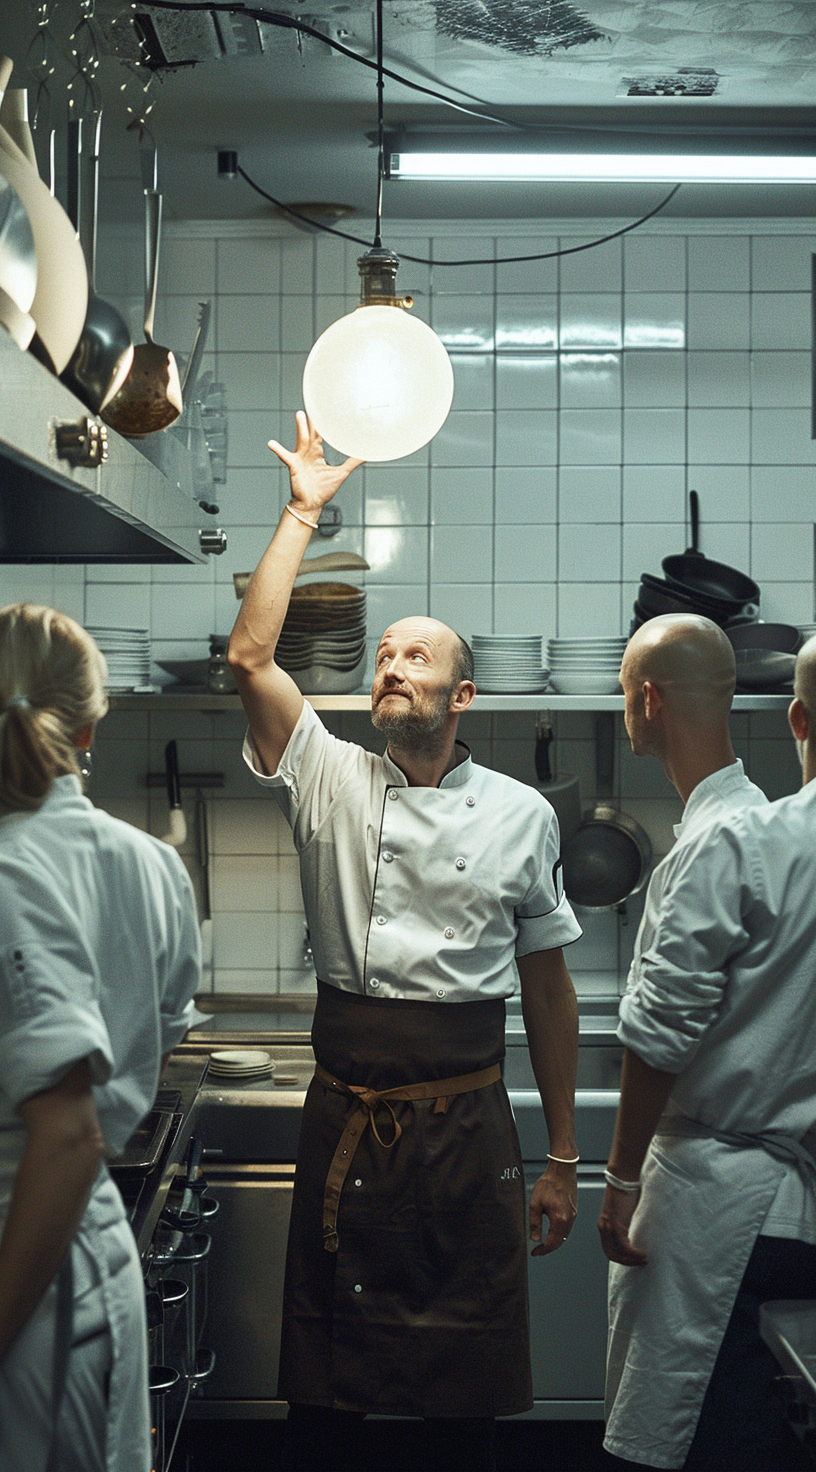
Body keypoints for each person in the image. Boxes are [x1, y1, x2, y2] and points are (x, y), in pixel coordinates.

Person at [228, 412, 583, 1472]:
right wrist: (300, 512)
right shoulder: (325, 771)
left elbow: (551, 992)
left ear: (461, 694)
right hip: (348, 1111)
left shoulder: (523, 812)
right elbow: (251, 654)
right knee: (326, 1399)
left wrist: (564, 1156)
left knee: (459, 1401)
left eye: (414, 655)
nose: (389, 664)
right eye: (383, 652)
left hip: (467, 1127)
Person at [599, 618, 816, 1470]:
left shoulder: (749, 842)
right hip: (797, 1205)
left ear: (796, 720)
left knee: (706, 1443)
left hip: (726, 1213)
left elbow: (661, 1031)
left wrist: (617, 1178)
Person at [0, 603, 201, 1472]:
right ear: (90, 724)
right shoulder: (154, 864)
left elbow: (68, 1132)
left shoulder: (8, 866)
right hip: (89, 1255)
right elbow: (155, 1042)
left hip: (25, 1265)